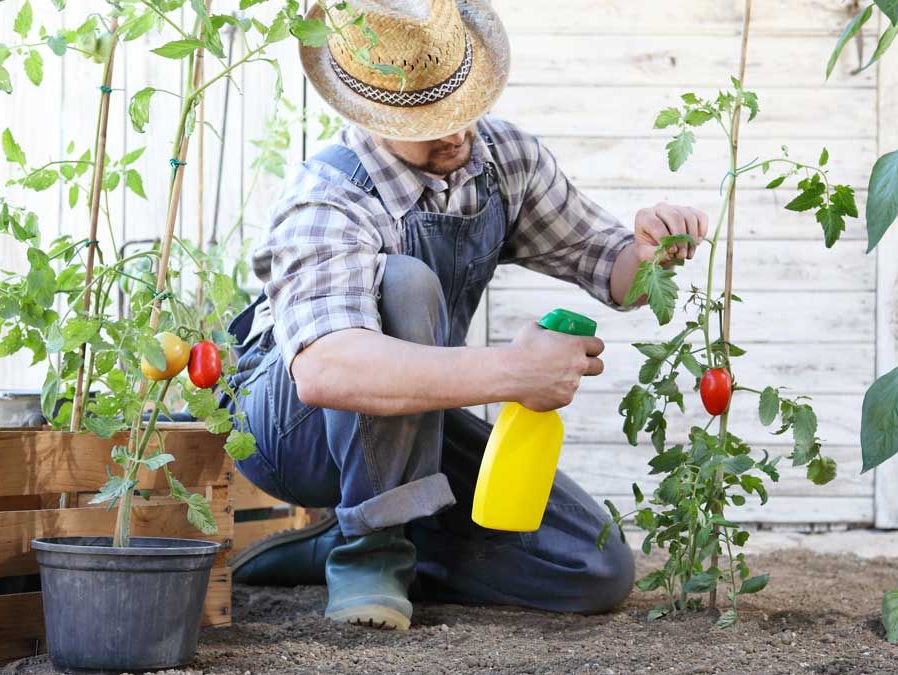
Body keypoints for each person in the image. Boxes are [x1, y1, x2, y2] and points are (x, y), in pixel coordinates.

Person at [226, 0, 709, 631]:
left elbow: (610, 268)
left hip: (413, 415)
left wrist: (648, 254)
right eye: (427, 118)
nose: (455, 131)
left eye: (461, 108)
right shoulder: (328, 198)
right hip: (291, 430)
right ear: (370, 114)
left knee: (593, 569)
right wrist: (513, 373)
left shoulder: (502, 160)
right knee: (402, 281)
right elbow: (327, 369)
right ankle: (369, 553)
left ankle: (338, 541)